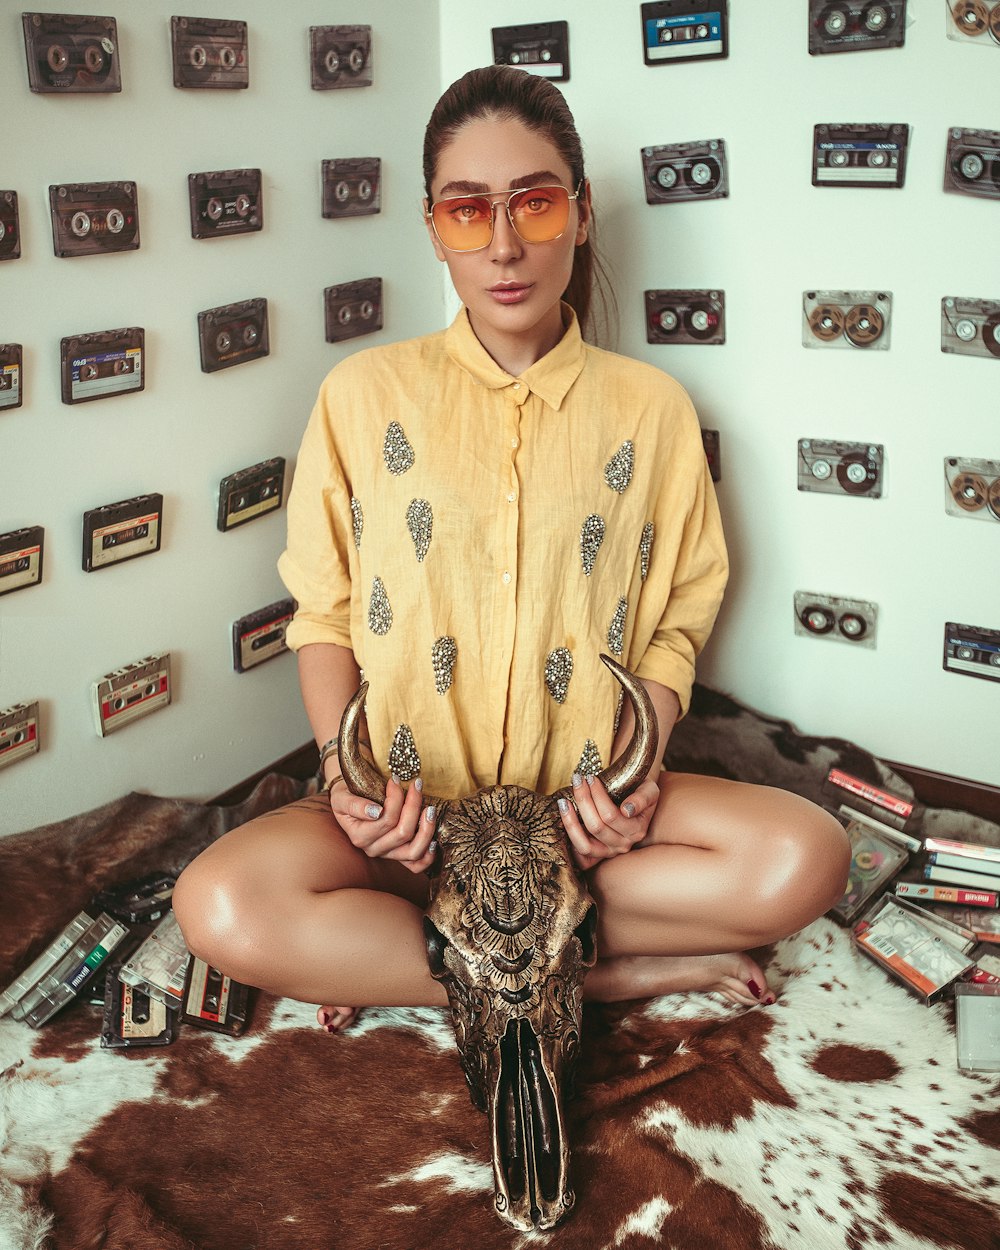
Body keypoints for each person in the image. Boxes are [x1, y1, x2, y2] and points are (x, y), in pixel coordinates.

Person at [173, 65, 850, 1034]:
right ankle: (594, 974)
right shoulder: (362, 394)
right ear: (432, 226)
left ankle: (429, 954)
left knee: (806, 854)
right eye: (465, 212)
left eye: (533, 204)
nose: (502, 245)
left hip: (577, 823)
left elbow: (674, 619)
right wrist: (343, 780)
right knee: (219, 902)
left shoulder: (650, 409)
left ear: (578, 215)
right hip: (408, 816)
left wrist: (640, 768)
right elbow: (321, 610)